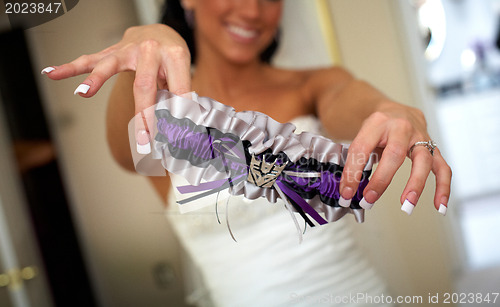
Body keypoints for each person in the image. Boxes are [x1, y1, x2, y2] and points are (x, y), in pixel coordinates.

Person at [41, 0, 452, 305]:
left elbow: (354, 102)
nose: (253, 10)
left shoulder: (313, 85)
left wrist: (393, 112)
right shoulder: (161, 113)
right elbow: (126, 150)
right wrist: (142, 46)